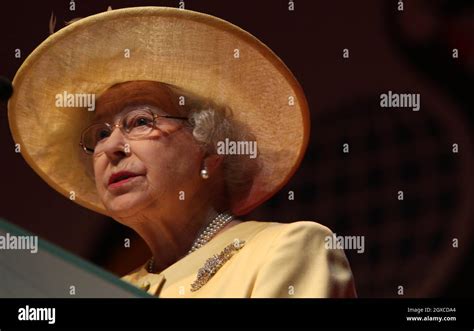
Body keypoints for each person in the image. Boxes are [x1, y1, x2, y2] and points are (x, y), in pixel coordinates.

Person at [7, 7, 357, 298]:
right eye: (100, 133)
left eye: (140, 121)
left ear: (210, 148)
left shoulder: (286, 250)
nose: (111, 147)